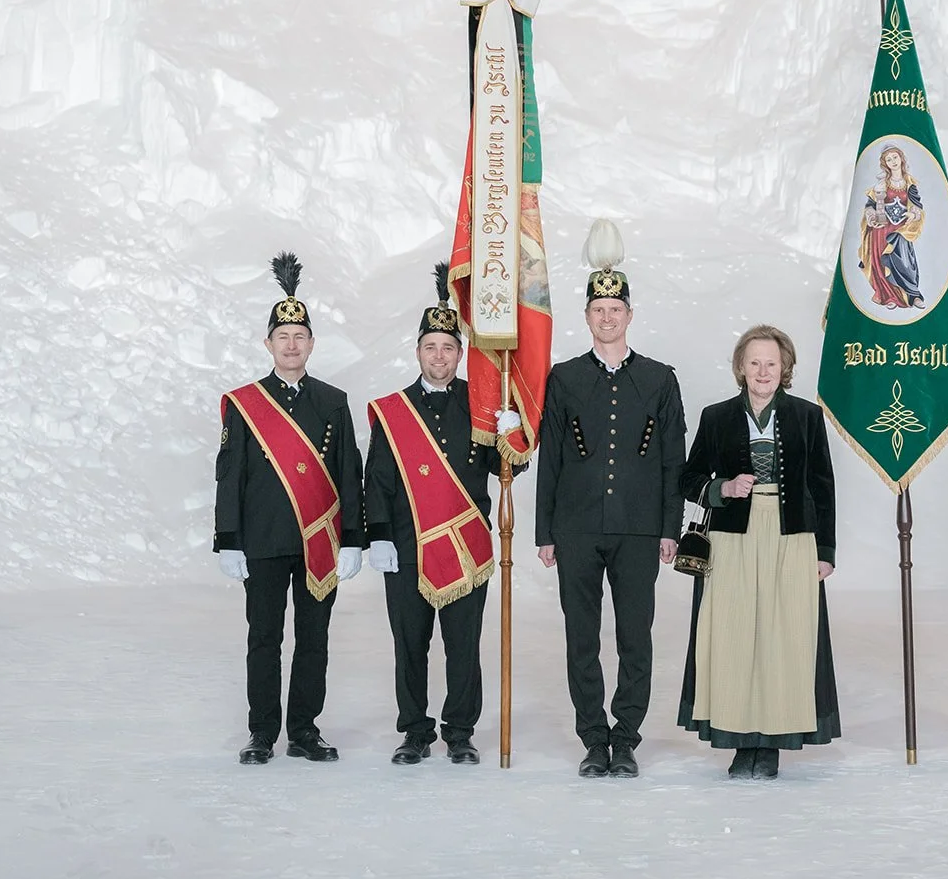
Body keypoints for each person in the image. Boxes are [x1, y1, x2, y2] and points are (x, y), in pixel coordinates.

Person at [535, 219, 686, 778]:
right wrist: (543, 532)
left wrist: (671, 527)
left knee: (634, 637)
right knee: (581, 637)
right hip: (575, 528)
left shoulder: (659, 379)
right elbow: (550, 458)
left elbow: (675, 461)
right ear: (588, 317)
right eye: (598, 310)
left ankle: (626, 738)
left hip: (641, 529)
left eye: (615, 309)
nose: (607, 317)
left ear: (629, 314)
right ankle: (592, 738)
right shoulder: (565, 378)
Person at [363, 264, 524, 766]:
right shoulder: (395, 410)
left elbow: (511, 470)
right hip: (408, 549)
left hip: (468, 545)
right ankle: (414, 730)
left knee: (463, 646)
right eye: (430, 347)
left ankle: (460, 731)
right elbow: (379, 480)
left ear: (461, 353)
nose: (439, 356)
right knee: (409, 645)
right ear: (418, 352)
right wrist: (380, 537)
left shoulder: (483, 406)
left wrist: (510, 432)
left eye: (449, 347)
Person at [214, 252, 365, 765]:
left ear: (312, 344)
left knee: (314, 640)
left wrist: (354, 539)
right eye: (283, 337)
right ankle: (262, 733)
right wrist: (228, 539)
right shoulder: (244, 404)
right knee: (264, 640)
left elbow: (349, 474)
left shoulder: (333, 401)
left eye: (300, 337)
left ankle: (304, 729)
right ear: (269, 344)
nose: (292, 345)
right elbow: (229, 476)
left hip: (318, 542)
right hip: (262, 542)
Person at [676, 325, 840, 780]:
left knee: (784, 635)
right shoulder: (716, 416)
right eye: (754, 363)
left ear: (785, 367)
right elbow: (688, 480)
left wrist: (824, 550)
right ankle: (739, 738)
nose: (763, 371)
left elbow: (822, 487)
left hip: (791, 537)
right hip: (732, 536)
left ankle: (770, 743)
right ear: (741, 368)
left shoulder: (807, 416)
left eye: (771, 363)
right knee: (730, 633)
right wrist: (721, 488)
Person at [856, 144, 926, 309]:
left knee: (906, 264)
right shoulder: (881, 185)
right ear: (884, 163)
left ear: (901, 158)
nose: (893, 161)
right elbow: (869, 206)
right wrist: (872, 216)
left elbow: (917, 207)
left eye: (895, 157)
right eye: (888, 159)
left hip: (899, 231)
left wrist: (913, 214)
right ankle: (888, 297)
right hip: (880, 231)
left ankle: (913, 295)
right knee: (881, 265)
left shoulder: (910, 184)